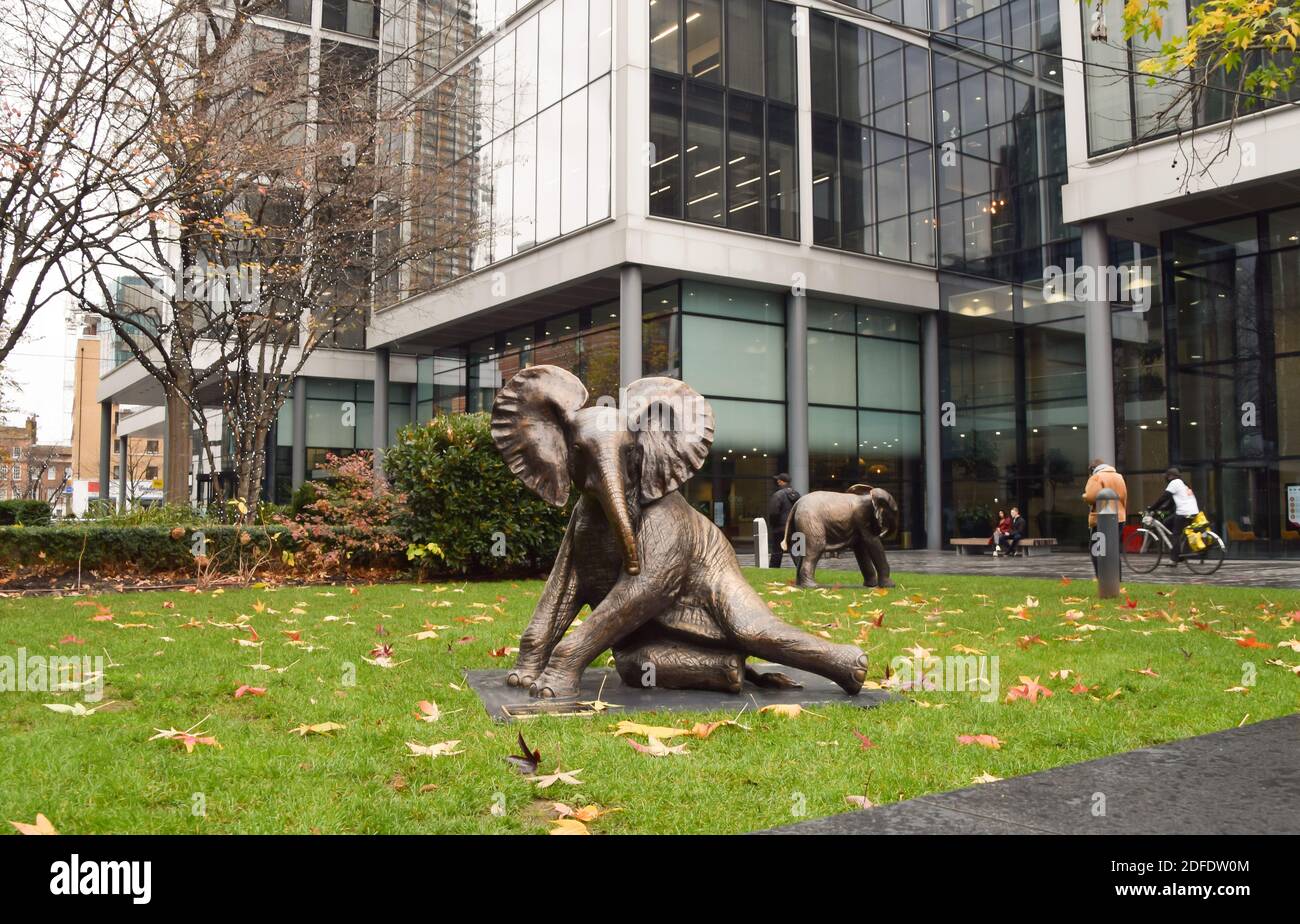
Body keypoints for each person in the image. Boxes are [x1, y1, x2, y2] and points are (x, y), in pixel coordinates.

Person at [1083, 458, 1128, 575]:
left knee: (1097, 550)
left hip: (1101, 519)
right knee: (1113, 549)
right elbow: (1124, 497)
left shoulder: (1096, 477)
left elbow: (1092, 496)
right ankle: (1116, 579)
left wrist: (1084, 496)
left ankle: (1102, 577)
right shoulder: (1119, 477)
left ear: (1092, 469)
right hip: (1119, 517)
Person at [1150, 467, 1199, 565]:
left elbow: (1164, 497)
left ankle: (1174, 559)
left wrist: (1152, 508)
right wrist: (1161, 509)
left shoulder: (1174, 483)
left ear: (1170, 476)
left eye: (1167, 477)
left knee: (1176, 534)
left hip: (1183, 512)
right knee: (1167, 523)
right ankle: (1179, 551)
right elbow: (1171, 503)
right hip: (1193, 512)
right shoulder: (1183, 484)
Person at [767, 473, 800, 568]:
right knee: (798, 552)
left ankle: (774, 572)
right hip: (796, 527)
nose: (777, 481)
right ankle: (802, 572)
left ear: (781, 482)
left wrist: (773, 525)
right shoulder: (797, 494)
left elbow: (774, 513)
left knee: (776, 553)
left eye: (778, 480)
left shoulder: (778, 495)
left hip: (780, 528)